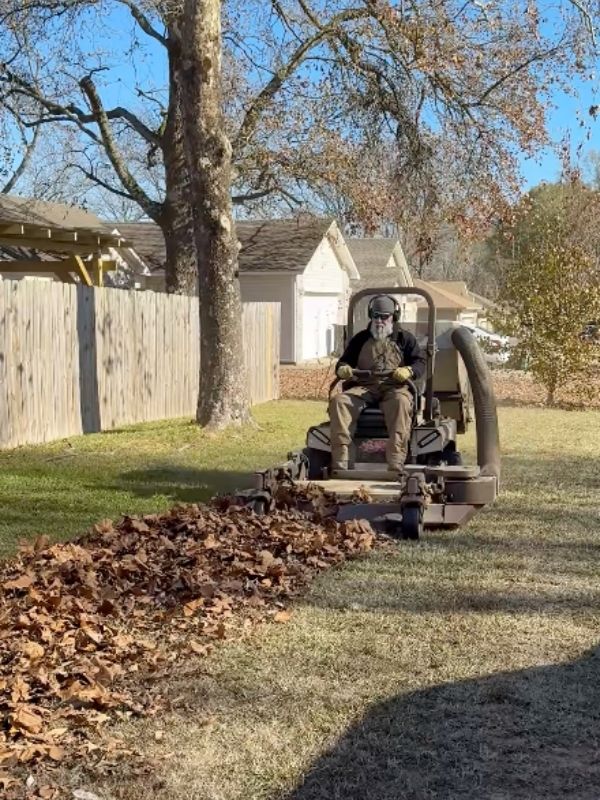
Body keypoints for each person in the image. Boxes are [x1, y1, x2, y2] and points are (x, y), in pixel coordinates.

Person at [329, 294, 426, 471]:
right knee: (339, 402)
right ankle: (342, 458)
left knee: (401, 402)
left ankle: (396, 459)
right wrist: (343, 368)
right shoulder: (360, 339)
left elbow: (420, 363)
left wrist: (408, 370)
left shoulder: (406, 339)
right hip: (364, 387)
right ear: (370, 316)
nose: (379, 320)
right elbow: (344, 362)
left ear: (393, 317)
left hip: (394, 388)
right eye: (376, 316)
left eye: (384, 316)